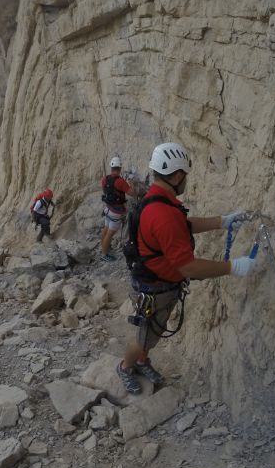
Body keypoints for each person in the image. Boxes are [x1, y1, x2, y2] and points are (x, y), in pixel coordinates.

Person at [116, 142, 257, 394]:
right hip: (155, 288)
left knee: (152, 330)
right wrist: (233, 267)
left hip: (154, 282)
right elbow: (188, 267)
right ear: (178, 175)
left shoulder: (157, 200)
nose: (186, 181)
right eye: (186, 176)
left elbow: (182, 225)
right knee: (145, 336)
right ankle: (126, 366)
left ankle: (141, 361)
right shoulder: (163, 213)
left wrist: (222, 222)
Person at [100, 156, 133, 261]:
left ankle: (104, 248)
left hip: (108, 208)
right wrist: (131, 184)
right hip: (116, 212)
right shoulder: (120, 182)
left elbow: (105, 190)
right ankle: (104, 255)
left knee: (106, 229)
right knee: (110, 234)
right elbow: (132, 193)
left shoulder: (105, 179)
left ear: (111, 167)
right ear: (119, 168)